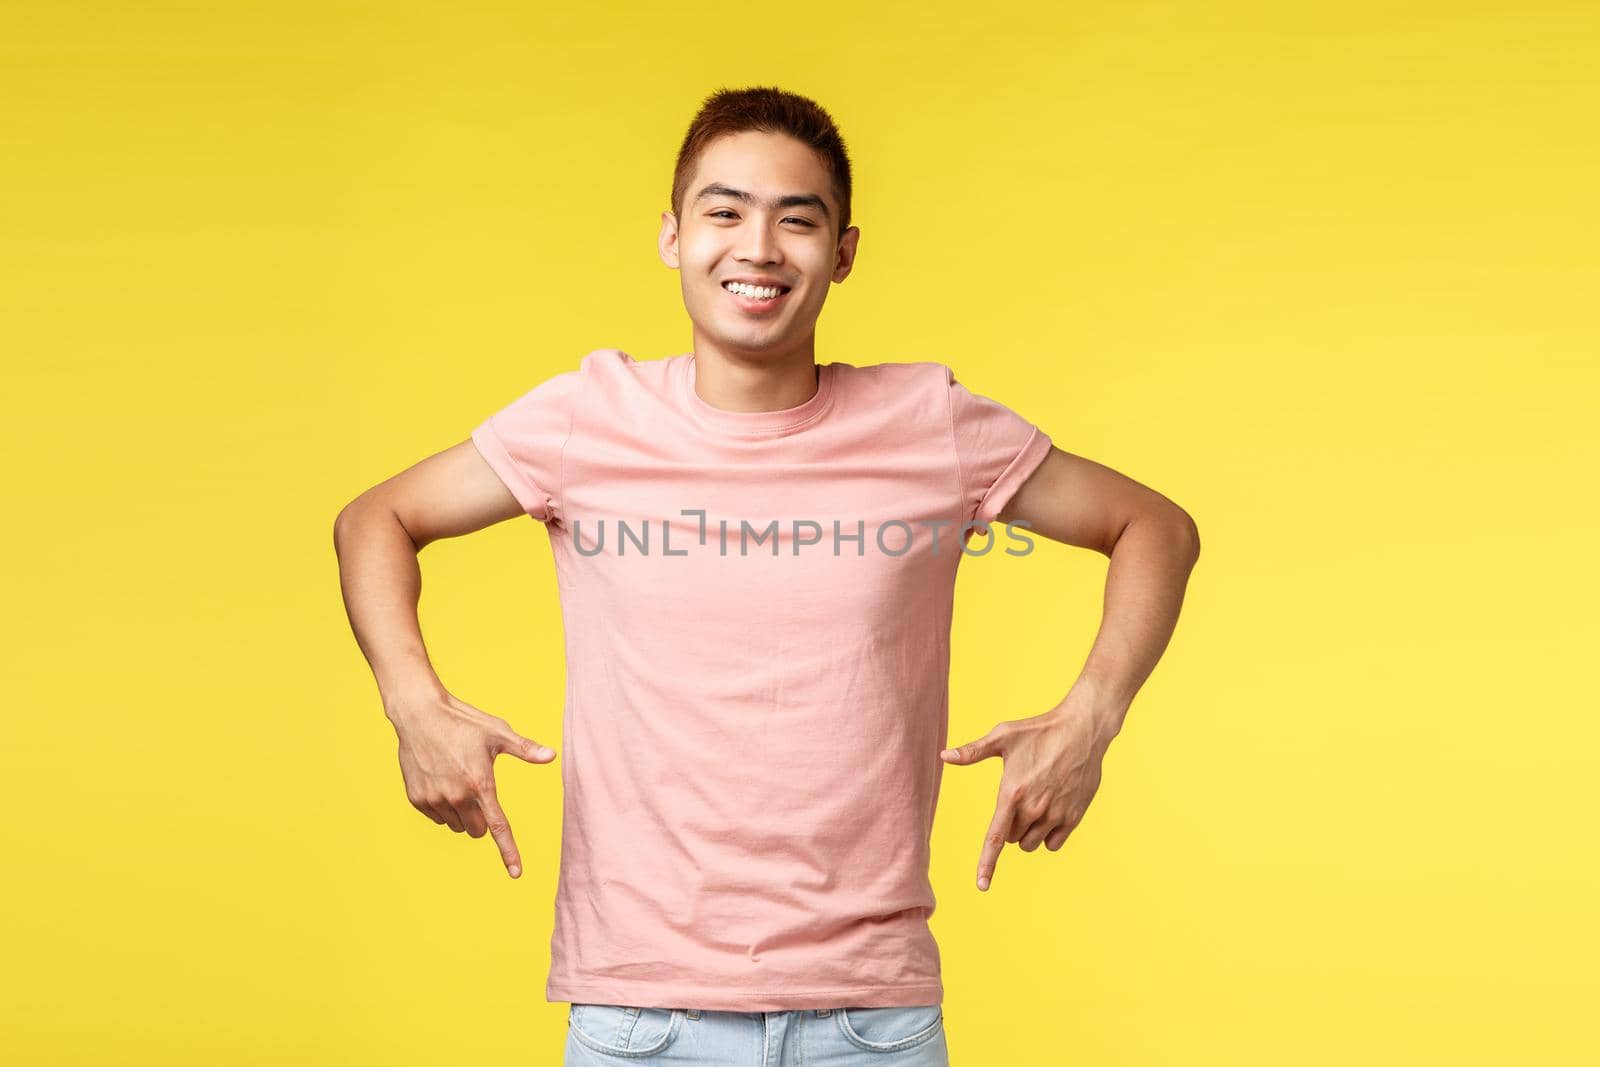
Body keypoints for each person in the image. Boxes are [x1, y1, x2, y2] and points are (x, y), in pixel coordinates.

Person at [333, 85, 1200, 1066]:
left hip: (870, 1022)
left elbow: (1153, 528)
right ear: (672, 237)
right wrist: (415, 705)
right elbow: (376, 519)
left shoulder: (927, 422)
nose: (757, 247)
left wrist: (1090, 717)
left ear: (843, 252)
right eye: (724, 211)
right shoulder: (588, 416)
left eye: (798, 219)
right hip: (641, 1019)